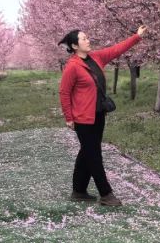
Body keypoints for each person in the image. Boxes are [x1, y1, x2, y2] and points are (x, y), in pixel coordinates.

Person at [58, 26, 146, 206]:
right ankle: (106, 194)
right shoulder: (72, 67)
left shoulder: (96, 58)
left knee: (87, 152)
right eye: (84, 39)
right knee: (94, 154)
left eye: (87, 37)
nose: (88, 40)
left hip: (98, 115)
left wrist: (136, 37)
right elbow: (64, 93)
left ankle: (79, 191)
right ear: (75, 46)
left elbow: (116, 49)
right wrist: (69, 117)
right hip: (83, 118)